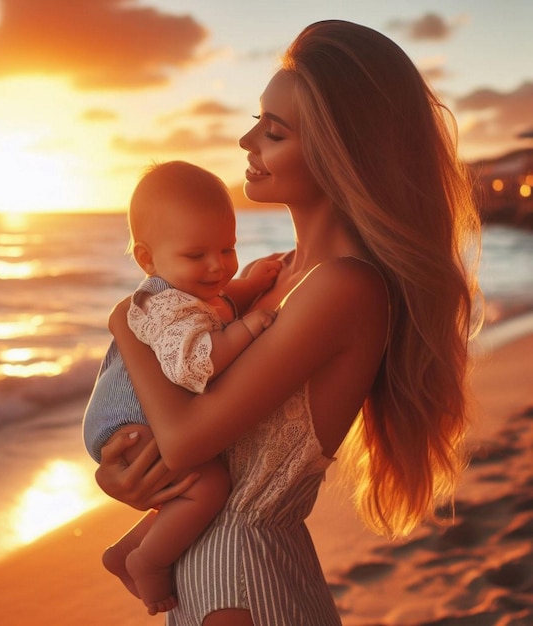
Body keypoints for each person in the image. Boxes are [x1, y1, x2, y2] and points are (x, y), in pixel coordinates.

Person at [95, 20, 482, 626]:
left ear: (340, 151)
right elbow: (180, 425)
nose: (248, 140)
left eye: (273, 132)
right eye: (257, 120)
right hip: (196, 563)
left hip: (243, 573)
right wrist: (128, 476)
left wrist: (124, 322)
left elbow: (189, 439)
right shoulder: (268, 275)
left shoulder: (342, 287)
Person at [83, 160, 280, 615]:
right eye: (197, 256)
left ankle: (123, 551)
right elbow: (198, 360)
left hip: (133, 418)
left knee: (187, 488)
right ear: (147, 260)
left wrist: (250, 282)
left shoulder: (182, 293)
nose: (217, 265)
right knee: (207, 484)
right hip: (128, 424)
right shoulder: (166, 307)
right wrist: (248, 328)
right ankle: (148, 561)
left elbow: (220, 302)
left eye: (227, 248)